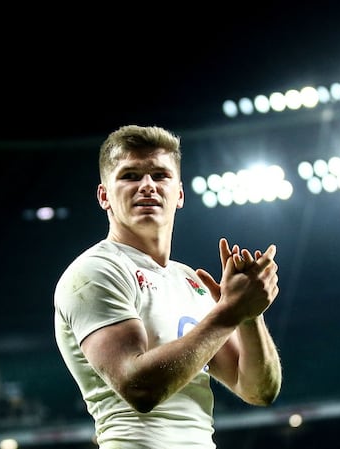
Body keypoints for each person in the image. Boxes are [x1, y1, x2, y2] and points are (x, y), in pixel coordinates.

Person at [53, 124, 283, 448]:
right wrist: (229, 313)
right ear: (104, 196)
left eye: (160, 175)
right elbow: (139, 388)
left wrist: (249, 315)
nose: (147, 186)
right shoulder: (94, 272)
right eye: (130, 175)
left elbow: (259, 390)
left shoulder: (189, 282)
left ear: (179, 194)